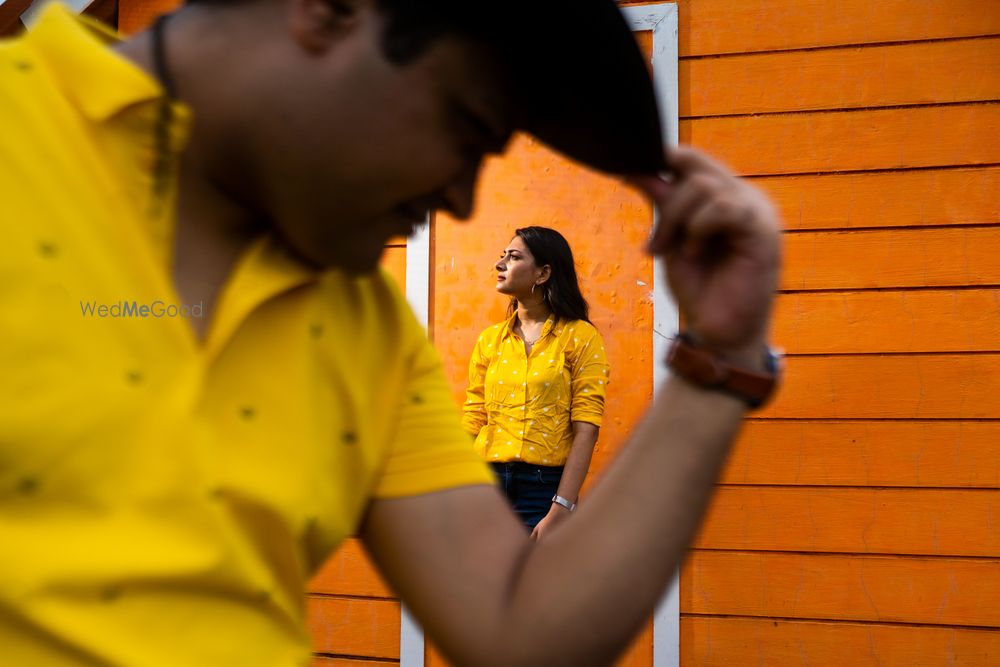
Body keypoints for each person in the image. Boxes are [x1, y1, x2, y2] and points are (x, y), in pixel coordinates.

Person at [0, 1, 782, 665]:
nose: (464, 198)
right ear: (330, 9)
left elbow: (518, 625)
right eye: (463, 124)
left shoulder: (366, 320)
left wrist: (721, 357)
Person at [463, 226, 607, 539]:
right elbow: (474, 417)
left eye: (513, 257)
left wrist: (561, 507)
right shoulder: (490, 340)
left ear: (542, 274)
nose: (499, 265)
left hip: (544, 491)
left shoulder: (581, 337)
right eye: (502, 256)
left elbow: (587, 428)